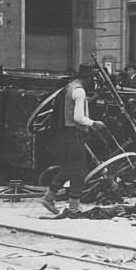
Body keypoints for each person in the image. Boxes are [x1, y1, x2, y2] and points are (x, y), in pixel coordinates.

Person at [40, 63, 106, 214]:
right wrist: (94, 123)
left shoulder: (69, 87)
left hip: (61, 133)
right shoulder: (80, 91)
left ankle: (48, 198)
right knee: (80, 171)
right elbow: (78, 117)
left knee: (69, 168)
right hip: (72, 134)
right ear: (89, 79)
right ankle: (73, 207)